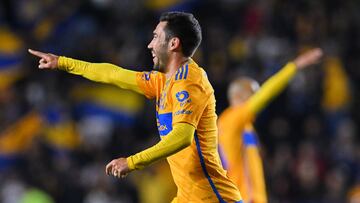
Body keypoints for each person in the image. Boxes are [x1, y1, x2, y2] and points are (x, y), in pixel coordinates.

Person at [29, 11, 242, 203]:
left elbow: (183, 136)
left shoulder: (190, 82)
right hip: (187, 197)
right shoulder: (162, 81)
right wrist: (63, 62)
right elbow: (113, 74)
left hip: (212, 197)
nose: (150, 44)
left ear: (173, 43)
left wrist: (132, 162)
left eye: (156, 37)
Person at [218, 48, 323, 203]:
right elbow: (265, 95)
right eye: (254, 94)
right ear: (239, 96)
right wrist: (294, 66)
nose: (257, 100)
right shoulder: (230, 120)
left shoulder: (246, 127)